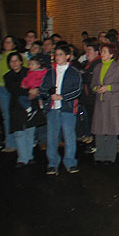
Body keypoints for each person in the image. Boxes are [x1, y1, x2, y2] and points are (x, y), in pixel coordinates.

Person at [39, 44, 83, 175]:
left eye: (60, 54)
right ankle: (52, 163)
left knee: (69, 136)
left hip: (67, 109)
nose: (57, 57)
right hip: (52, 109)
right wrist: (48, 94)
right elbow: (42, 89)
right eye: (56, 54)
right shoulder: (50, 72)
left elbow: (77, 90)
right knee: (52, 137)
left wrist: (62, 97)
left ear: (67, 56)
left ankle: (70, 162)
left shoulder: (74, 72)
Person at [90, 43, 119, 164]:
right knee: (99, 130)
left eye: (105, 52)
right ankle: (99, 155)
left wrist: (108, 88)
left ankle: (110, 156)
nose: (102, 54)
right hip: (100, 102)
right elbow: (92, 84)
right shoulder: (97, 67)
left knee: (111, 130)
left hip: (112, 103)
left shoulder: (117, 68)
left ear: (111, 54)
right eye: (102, 51)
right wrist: (97, 88)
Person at [5, 52, 38, 167]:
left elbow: (37, 83)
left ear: (20, 61)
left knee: (30, 132)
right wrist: (29, 90)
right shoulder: (7, 76)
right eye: (11, 61)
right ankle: (22, 158)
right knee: (19, 133)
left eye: (16, 60)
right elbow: (14, 89)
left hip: (30, 104)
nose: (14, 63)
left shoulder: (29, 72)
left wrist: (33, 90)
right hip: (16, 107)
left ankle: (29, 156)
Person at [0, 35, 21, 152]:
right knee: (6, 115)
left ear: (14, 44)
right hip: (1, 88)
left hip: (14, 89)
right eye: (5, 42)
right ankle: (10, 142)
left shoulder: (19, 57)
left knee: (14, 114)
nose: (7, 44)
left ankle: (16, 141)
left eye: (9, 42)